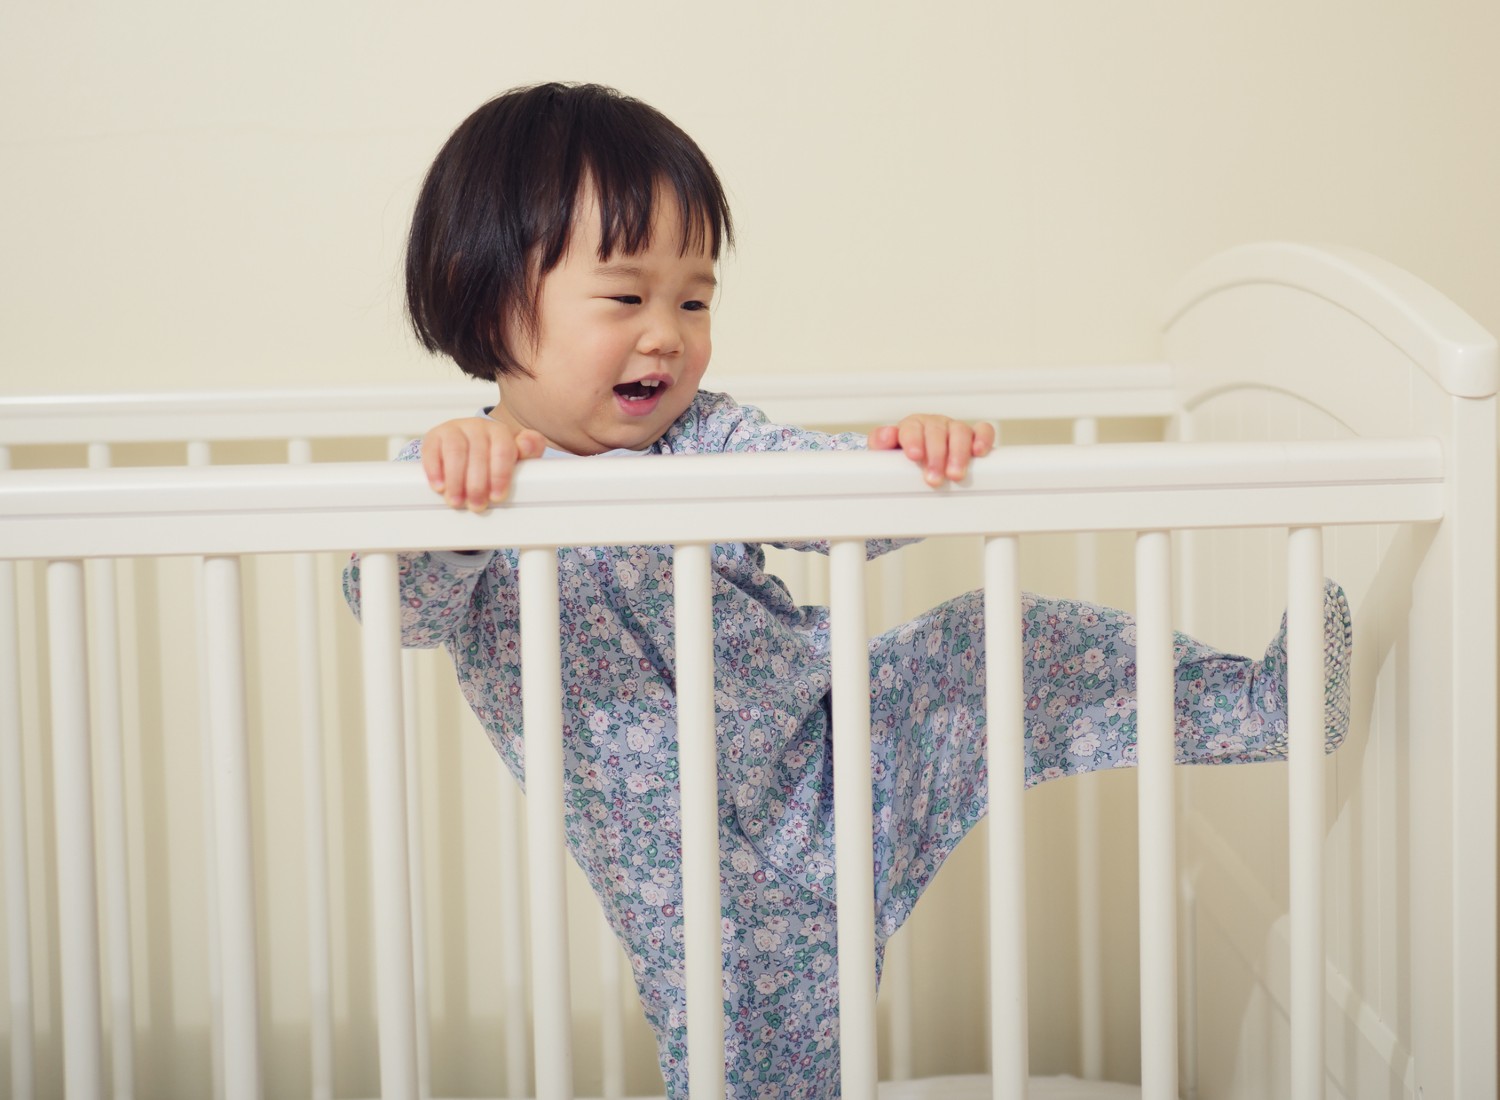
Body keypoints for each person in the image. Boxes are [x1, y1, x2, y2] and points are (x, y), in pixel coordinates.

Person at [343, 81, 1352, 1099]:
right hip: (701, 878)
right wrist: (454, 493)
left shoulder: (708, 436)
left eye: (694, 300)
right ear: (480, 296)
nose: (669, 334)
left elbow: (831, 503)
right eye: (625, 297)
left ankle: (1263, 703)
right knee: (760, 1071)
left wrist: (911, 463)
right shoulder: (458, 479)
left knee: (995, 642)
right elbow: (397, 604)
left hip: (848, 746)